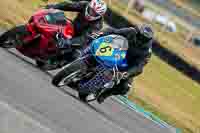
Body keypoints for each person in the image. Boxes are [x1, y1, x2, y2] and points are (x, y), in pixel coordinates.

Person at [89, 24, 154, 104]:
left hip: (126, 66)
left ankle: (105, 94)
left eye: (144, 39)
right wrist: (101, 33)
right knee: (95, 48)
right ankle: (83, 65)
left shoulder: (147, 52)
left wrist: (127, 73)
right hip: (115, 52)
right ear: (138, 33)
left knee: (125, 87)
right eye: (140, 36)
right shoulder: (131, 31)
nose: (140, 39)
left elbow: (139, 67)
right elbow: (113, 31)